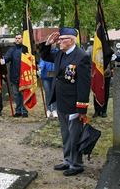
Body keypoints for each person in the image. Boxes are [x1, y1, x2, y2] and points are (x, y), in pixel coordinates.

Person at [40, 27, 91, 176]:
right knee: (66, 134)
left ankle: (77, 164)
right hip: (61, 102)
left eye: (63, 39)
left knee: (75, 135)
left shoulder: (81, 56)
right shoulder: (60, 54)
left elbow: (84, 84)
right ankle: (68, 160)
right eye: (59, 39)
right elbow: (45, 56)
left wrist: (82, 109)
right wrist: (48, 43)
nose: (60, 41)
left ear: (72, 40)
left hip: (74, 103)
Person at [1, 34, 28, 117]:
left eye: (19, 38)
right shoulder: (12, 49)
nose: (17, 39)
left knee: (24, 94)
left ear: (22, 39)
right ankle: (18, 110)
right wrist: (3, 60)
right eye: (16, 38)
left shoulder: (26, 49)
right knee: (16, 94)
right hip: (14, 75)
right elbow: (7, 57)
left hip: (24, 76)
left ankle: (24, 111)